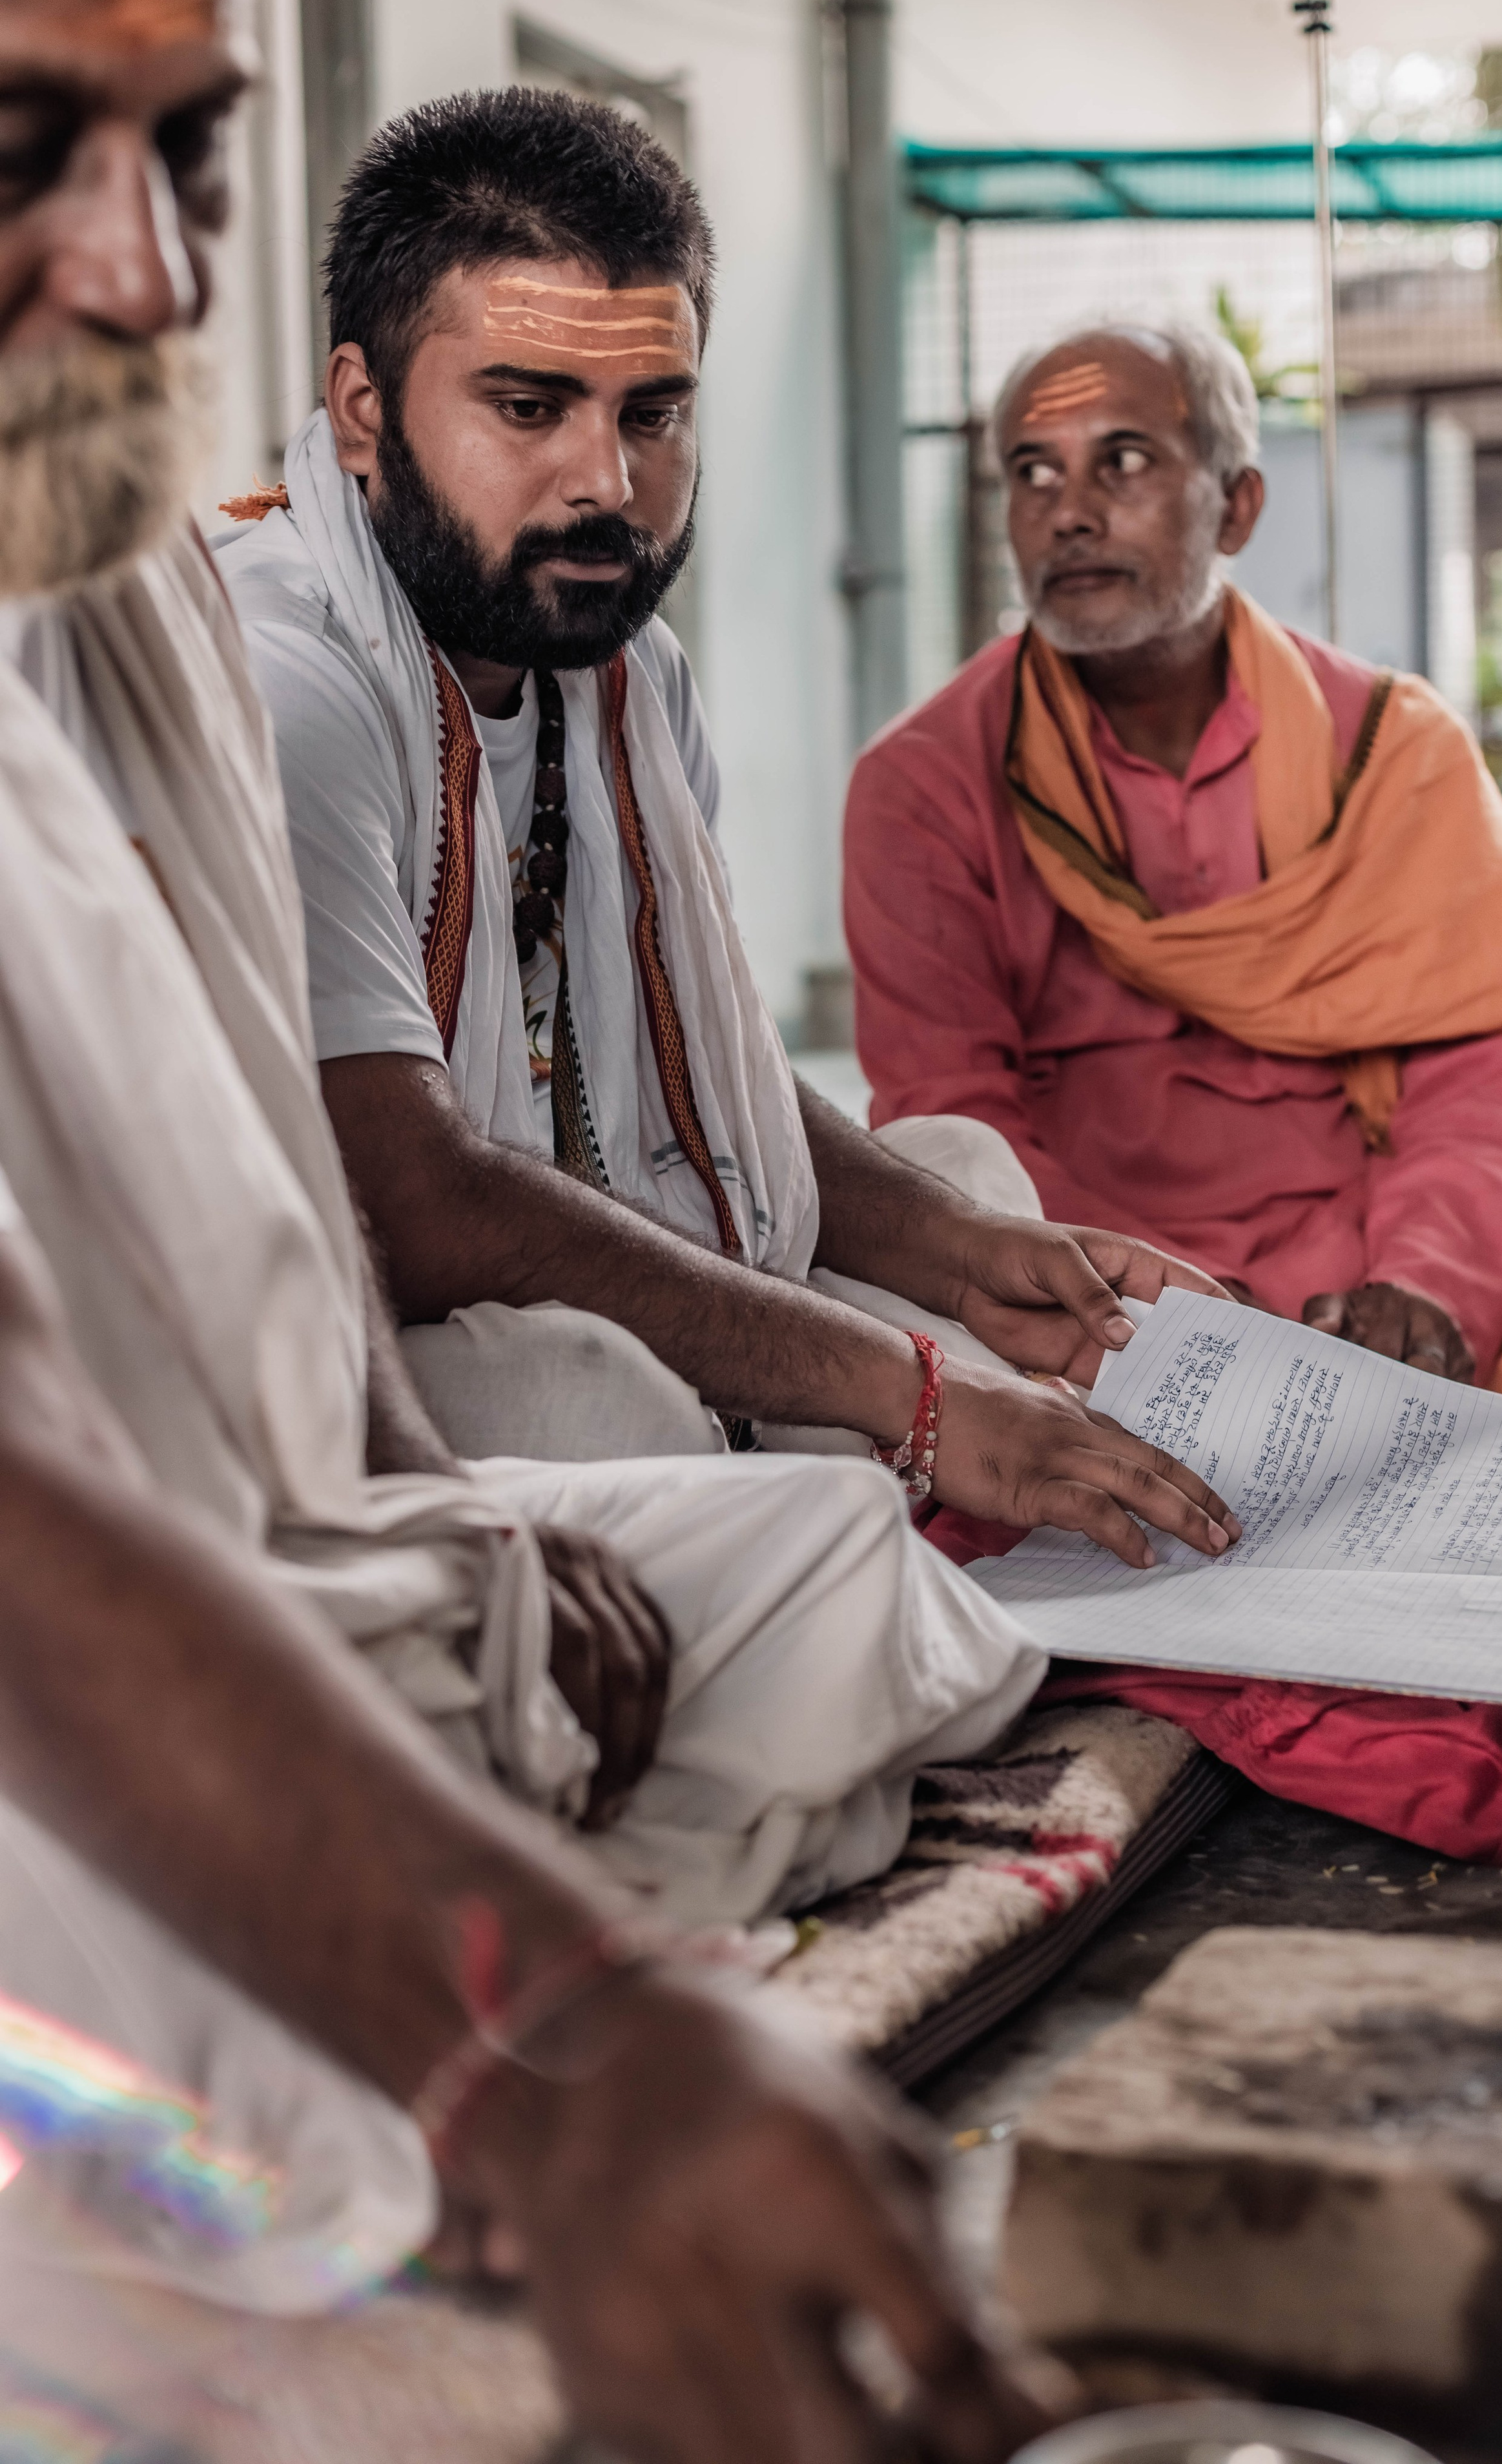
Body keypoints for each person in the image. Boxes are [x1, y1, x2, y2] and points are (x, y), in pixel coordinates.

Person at [0, 0, 1058, 2441]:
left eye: (188, 162)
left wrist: (429, 1515)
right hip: (82, 1661)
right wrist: (562, 2049)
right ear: (368, 411)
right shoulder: (278, 638)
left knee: (834, 1580)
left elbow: (248, 1165)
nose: (148, 272)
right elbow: (399, 1190)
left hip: (306, 1535)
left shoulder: (114, 591)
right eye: (28, 151)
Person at [212, 90, 1244, 1584]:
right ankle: (832, 1556)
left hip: (554, 1262)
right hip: (323, 1347)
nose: (606, 482)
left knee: (963, 1180)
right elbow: (414, 1209)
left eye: (651, 414)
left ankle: (830, 1547)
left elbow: (718, 1090)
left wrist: (959, 1255)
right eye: (526, 407)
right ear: (364, 411)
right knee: (584, 1395)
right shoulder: (277, 677)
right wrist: (913, 1392)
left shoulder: (625, 671)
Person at [845, 318, 1502, 1872]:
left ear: (1234, 506)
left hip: (1385, 1267)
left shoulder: (1386, 750)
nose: (1068, 510)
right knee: (891, 1379)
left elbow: (1475, 1069)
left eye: (1123, 463)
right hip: (1115, 1306)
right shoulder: (926, 783)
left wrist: (1419, 1281)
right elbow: (948, 1141)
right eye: (1032, 473)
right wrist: (1172, 1343)